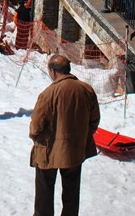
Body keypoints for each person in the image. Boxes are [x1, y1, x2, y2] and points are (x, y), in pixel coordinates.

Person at [29, 54, 100, 216]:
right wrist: (82, 136)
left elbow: (36, 126)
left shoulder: (48, 94)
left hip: (49, 150)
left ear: (53, 71)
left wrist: (36, 137)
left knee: (44, 192)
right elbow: (94, 119)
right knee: (72, 191)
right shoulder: (86, 89)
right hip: (75, 149)